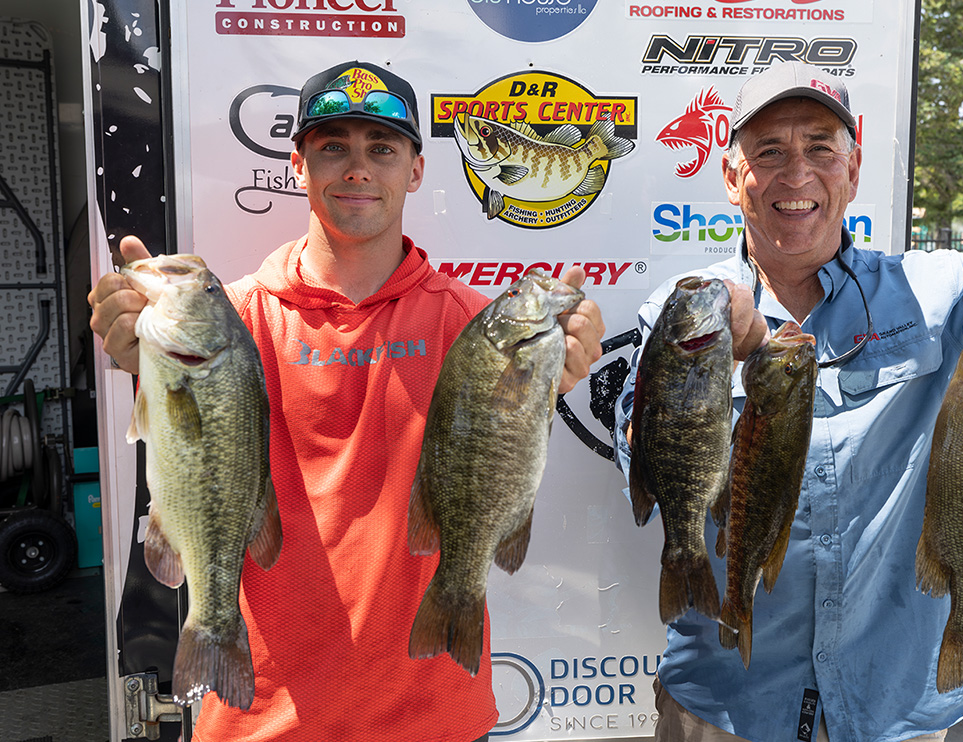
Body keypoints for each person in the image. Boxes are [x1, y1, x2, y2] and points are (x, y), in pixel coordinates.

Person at [612, 61, 963, 742]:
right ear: (734, 179)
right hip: (724, 705)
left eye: (821, 148)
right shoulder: (682, 316)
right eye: (769, 151)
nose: (797, 173)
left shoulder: (945, 293)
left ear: (852, 172)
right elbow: (645, 466)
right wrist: (702, 363)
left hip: (897, 713)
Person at [88, 60, 605, 742]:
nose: (357, 168)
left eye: (382, 149)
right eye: (334, 146)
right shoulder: (228, 322)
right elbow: (184, 448)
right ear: (298, 165)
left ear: (415, 170)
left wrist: (555, 369)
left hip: (437, 718)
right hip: (262, 720)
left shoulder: (478, 326)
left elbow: (505, 458)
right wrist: (137, 348)